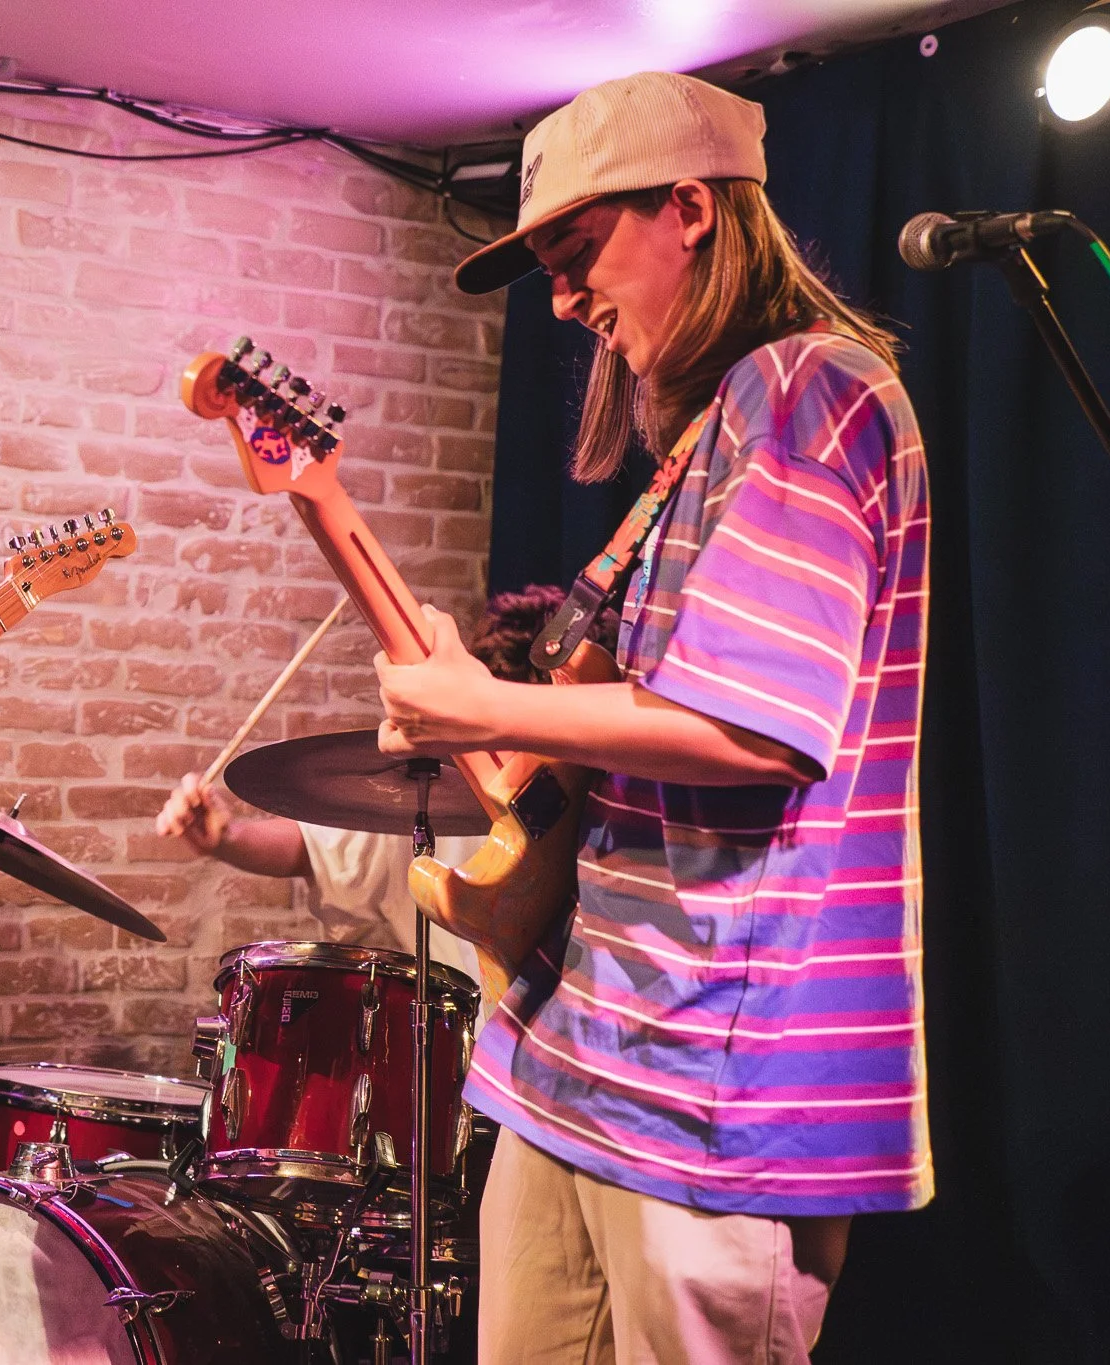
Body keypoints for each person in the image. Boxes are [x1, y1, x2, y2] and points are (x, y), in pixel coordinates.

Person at [376, 72, 929, 1363]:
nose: (565, 301)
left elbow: (757, 734)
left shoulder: (806, 389)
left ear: (690, 209)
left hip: (713, 1079)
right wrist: (489, 714)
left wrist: (486, 701)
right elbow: (636, 748)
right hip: (579, 1055)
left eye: (579, 252)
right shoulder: (707, 439)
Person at [154, 585, 588, 987]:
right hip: (474, 1053)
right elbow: (313, 849)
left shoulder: (609, 811)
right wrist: (227, 837)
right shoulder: (441, 791)